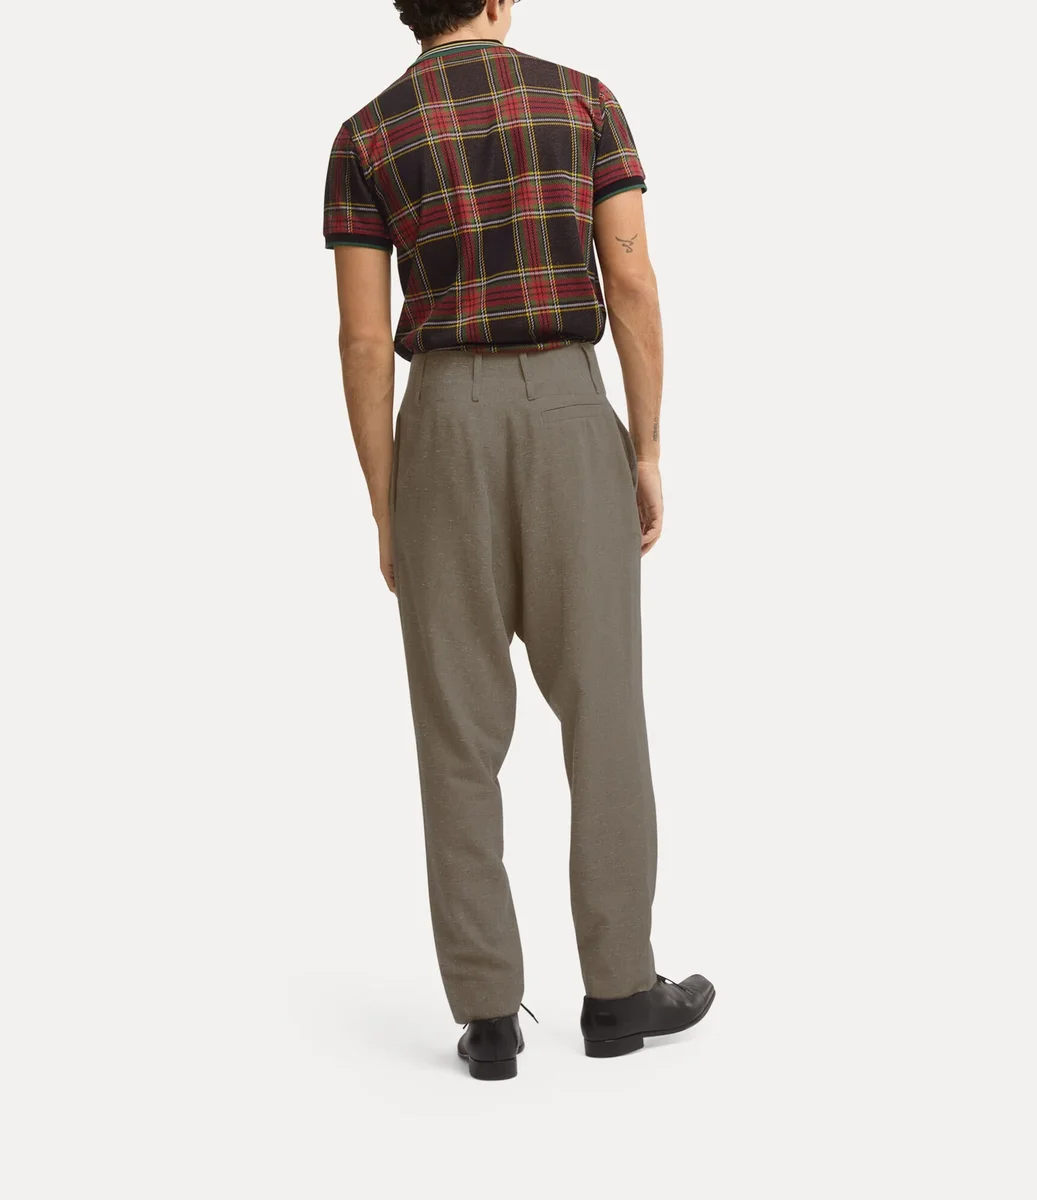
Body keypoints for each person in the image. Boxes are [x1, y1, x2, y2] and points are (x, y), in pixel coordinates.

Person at [323, 0, 714, 1081]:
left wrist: (386, 498)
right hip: (568, 410)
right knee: (603, 710)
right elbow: (629, 280)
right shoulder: (583, 102)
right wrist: (644, 446)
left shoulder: (365, 135)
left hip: (439, 426)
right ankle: (619, 992)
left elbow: (362, 340)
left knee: (456, 731)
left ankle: (488, 1018)